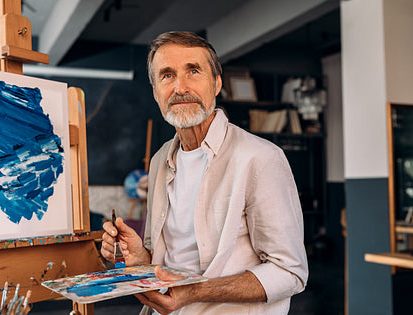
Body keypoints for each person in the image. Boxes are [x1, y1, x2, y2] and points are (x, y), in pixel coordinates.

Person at [101, 31, 308, 315]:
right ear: (155, 91)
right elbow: (168, 261)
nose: (180, 87)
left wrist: (194, 293)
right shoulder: (160, 160)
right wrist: (140, 256)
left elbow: (289, 272)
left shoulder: (260, 158)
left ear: (217, 83)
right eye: (167, 75)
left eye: (193, 71)